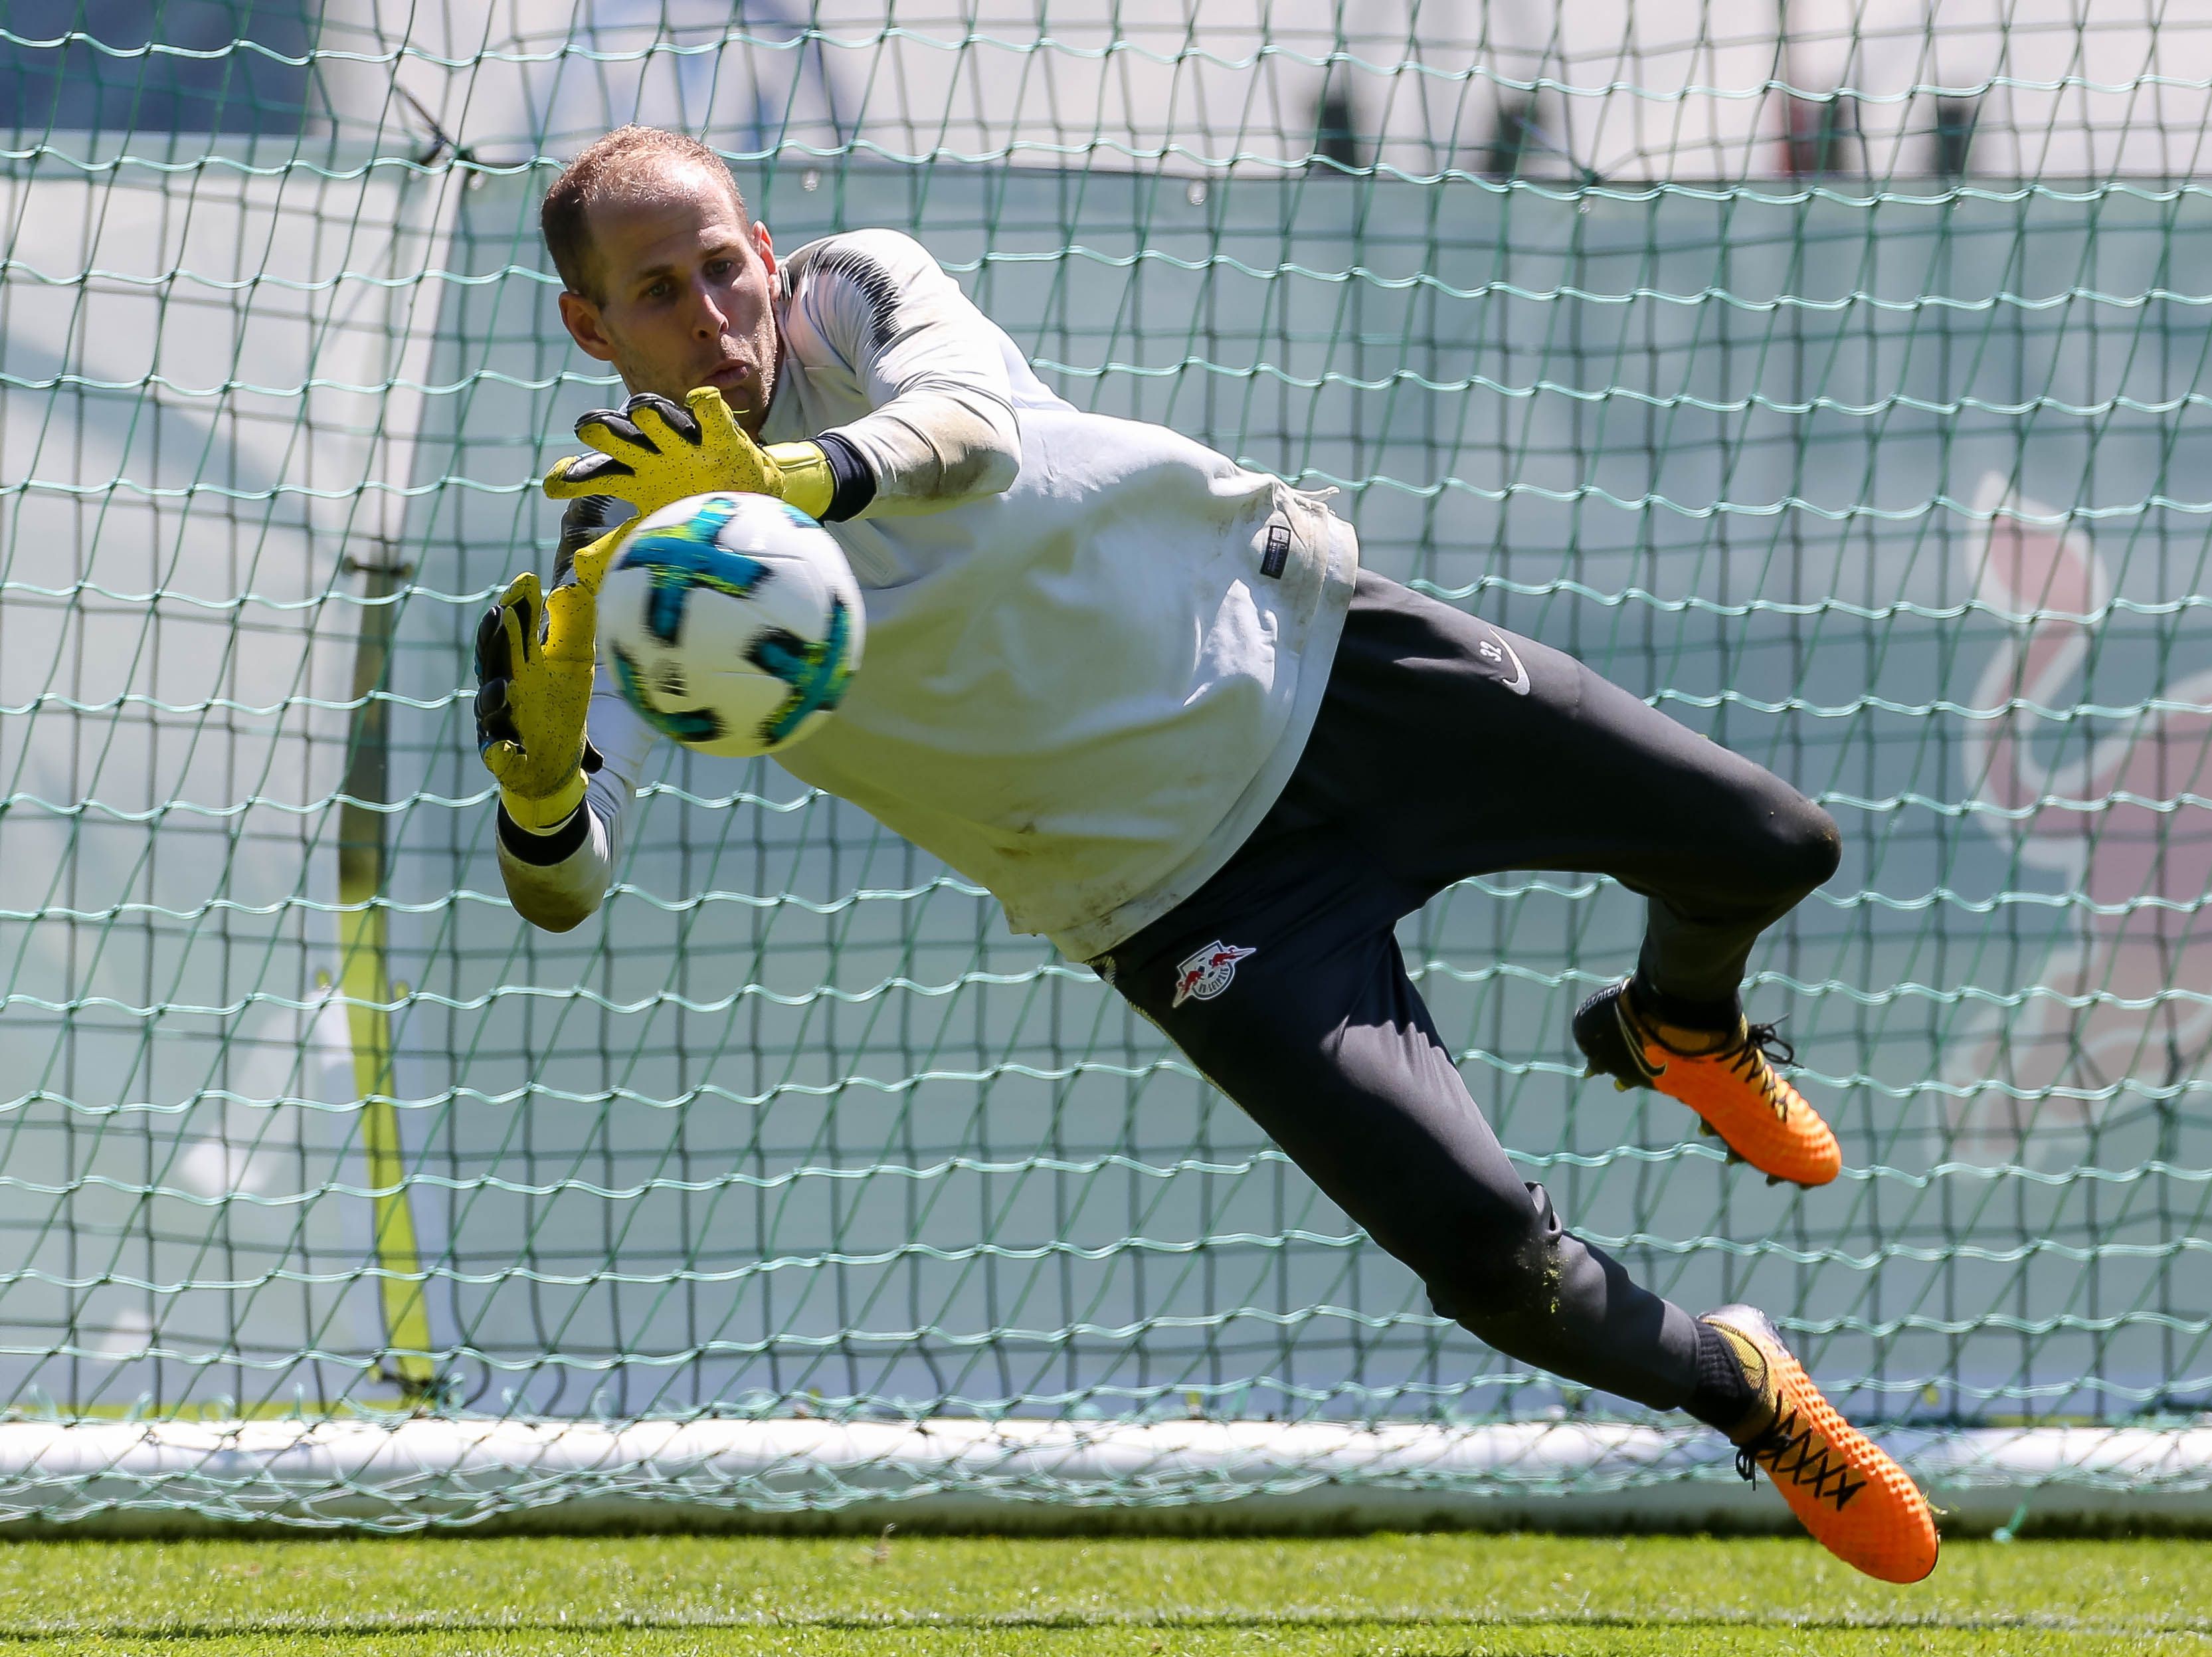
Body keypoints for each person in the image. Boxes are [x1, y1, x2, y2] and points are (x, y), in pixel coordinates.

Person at [472, 124, 1937, 1583]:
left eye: (723, 264)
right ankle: (1743, 1387)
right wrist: (540, 786)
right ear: (587, 325)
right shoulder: (619, 550)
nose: (713, 311)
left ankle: (1678, 1025)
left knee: (1769, 842)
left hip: (1320, 656)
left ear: (765, 252)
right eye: (658, 291)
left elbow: (969, 435)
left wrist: (793, 480)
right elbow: (567, 884)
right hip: (1191, 898)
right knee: (1495, 1263)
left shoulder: (856, 289)